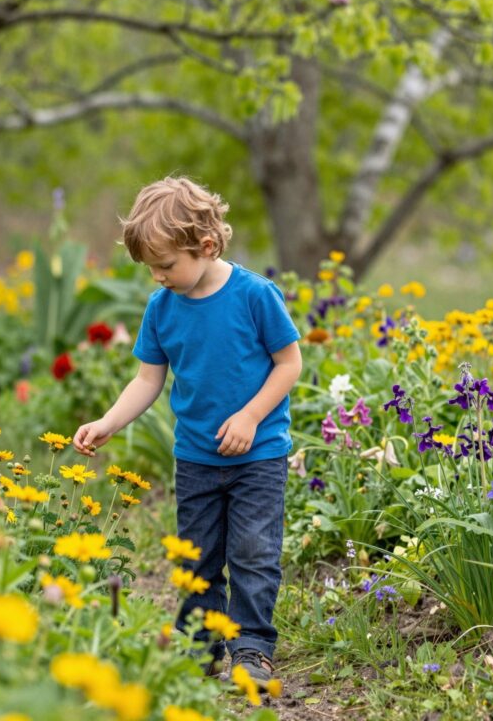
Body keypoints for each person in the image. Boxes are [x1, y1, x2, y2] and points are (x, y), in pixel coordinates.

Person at [72, 176, 302, 686]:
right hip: (197, 458)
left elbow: (289, 364)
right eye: (150, 268)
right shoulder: (161, 308)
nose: (157, 276)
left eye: (166, 265)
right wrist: (108, 421)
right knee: (195, 556)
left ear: (207, 246)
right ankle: (198, 647)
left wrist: (250, 416)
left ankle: (252, 648)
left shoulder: (254, 296)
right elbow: (147, 379)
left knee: (253, 552)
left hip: (258, 454)